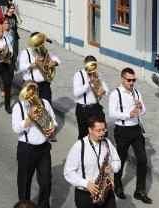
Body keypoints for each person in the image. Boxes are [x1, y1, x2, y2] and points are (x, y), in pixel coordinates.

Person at [108, 67, 151, 203]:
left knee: (143, 160)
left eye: (134, 80)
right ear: (122, 79)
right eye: (129, 80)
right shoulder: (116, 94)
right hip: (122, 130)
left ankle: (140, 191)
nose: (132, 83)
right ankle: (118, 186)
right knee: (120, 160)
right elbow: (112, 113)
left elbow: (143, 111)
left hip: (136, 130)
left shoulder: (136, 92)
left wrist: (140, 106)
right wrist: (128, 114)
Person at [12, 80, 58, 208]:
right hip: (26, 149)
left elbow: (53, 121)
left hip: (43, 149)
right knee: (24, 182)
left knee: (46, 182)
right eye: (31, 90)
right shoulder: (19, 107)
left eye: (36, 90)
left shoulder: (45, 103)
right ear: (24, 92)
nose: (35, 93)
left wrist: (53, 127)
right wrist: (29, 118)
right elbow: (16, 128)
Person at [63, 116, 121, 208]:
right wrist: (86, 184)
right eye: (99, 130)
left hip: (105, 190)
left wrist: (112, 167)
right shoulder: (79, 147)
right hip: (86, 194)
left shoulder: (107, 143)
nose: (102, 133)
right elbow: (68, 173)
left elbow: (117, 161)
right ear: (90, 130)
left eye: (104, 130)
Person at [73, 56, 108, 139]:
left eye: (94, 66)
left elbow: (105, 87)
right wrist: (88, 85)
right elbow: (76, 93)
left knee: (103, 132)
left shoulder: (98, 74)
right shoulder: (78, 75)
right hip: (83, 109)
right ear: (85, 65)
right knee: (84, 135)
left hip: (96, 107)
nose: (92, 69)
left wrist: (104, 90)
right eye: (89, 66)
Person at [19, 32, 60, 103]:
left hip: (44, 84)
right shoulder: (25, 52)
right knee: (32, 107)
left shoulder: (44, 52)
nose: (40, 46)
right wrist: (36, 64)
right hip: (30, 84)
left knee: (47, 104)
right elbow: (22, 67)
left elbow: (57, 59)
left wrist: (53, 63)